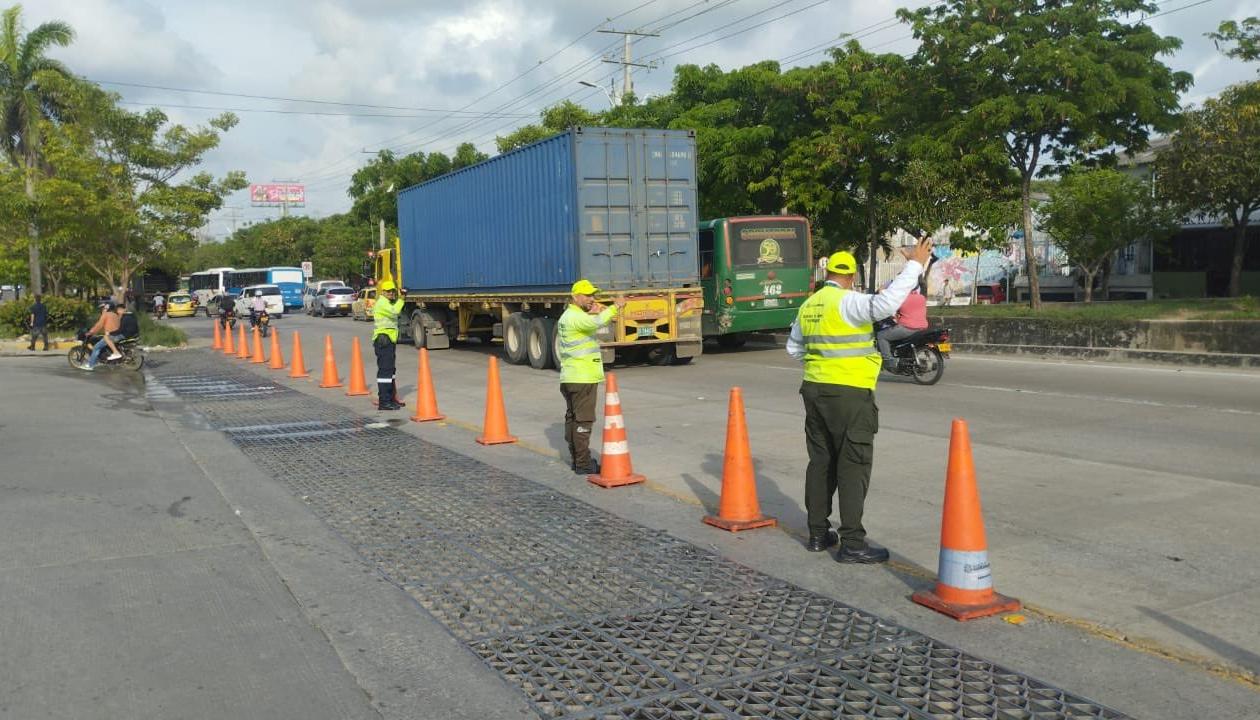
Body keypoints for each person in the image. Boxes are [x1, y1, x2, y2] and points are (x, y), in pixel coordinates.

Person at [786, 236, 933, 563]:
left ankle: (817, 534)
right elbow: (885, 305)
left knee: (821, 462)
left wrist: (823, 361)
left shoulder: (809, 306)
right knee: (853, 464)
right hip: (850, 393)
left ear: (828, 273)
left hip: (814, 390)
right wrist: (914, 265)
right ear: (851, 276)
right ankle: (852, 543)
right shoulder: (849, 301)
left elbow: (793, 348)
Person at [556, 279, 626, 474]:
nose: (591, 298)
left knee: (573, 419)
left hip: (571, 376)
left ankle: (577, 459)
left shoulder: (568, 316)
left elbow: (590, 323)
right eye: (587, 295)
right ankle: (583, 463)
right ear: (575, 296)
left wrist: (595, 311)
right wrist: (616, 307)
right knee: (583, 421)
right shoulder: (575, 317)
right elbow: (598, 322)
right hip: (583, 378)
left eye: (593, 295)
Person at [371, 280, 406, 410]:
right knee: (385, 371)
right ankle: (384, 402)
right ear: (383, 292)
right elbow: (395, 311)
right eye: (388, 291)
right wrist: (402, 298)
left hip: (388, 339)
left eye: (393, 291)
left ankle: (391, 399)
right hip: (383, 339)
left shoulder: (387, 302)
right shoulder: (382, 303)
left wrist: (400, 297)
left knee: (390, 371)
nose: (391, 293)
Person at [875, 286, 929, 369]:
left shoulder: (902, 299)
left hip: (908, 328)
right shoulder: (921, 297)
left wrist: (882, 292)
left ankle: (888, 360)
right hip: (923, 327)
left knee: (881, 336)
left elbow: (889, 308)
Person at [84, 300, 124, 370]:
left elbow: (99, 325)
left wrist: (91, 332)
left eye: (103, 308)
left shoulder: (106, 315)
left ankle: (90, 365)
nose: (102, 310)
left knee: (96, 348)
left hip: (110, 336)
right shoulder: (115, 315)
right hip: (117, 335)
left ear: (107, 308)